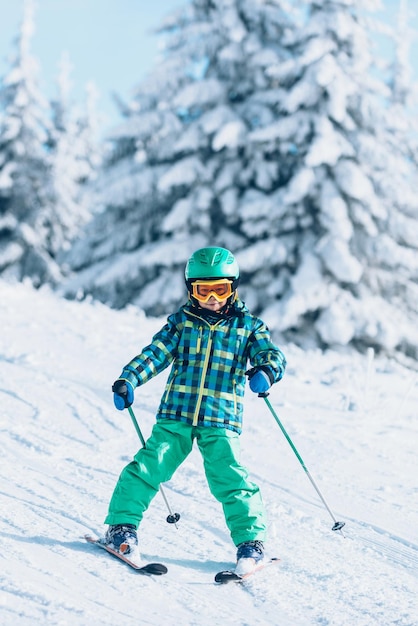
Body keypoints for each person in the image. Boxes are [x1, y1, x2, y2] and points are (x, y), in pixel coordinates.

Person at [104, 246, 286, 572]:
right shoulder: (181, 323)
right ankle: (121, 527)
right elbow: (155, 354)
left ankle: (251, 543)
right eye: (204, 290)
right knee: (149, 466)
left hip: (222, 417)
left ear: (234, 288)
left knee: (230, 478)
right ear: (191, 290)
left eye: (221, 289)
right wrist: (129, 379)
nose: (213, 298)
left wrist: (266, 371)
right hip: (176, 414)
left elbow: (270, 354)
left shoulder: (249, 326)